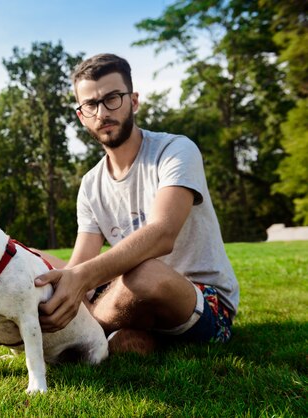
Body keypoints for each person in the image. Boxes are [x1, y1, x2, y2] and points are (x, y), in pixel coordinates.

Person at [34, 53, 239, 354]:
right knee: (32, 261)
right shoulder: (91, 184)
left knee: (144, 275)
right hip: (124, 294)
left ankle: (80, 334)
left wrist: (80, 283)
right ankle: (128, 336)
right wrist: (68, 282)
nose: (102, 112)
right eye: (91, 104)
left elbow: (162, 233)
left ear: (134, 101)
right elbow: (80, 265)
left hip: (201, 300)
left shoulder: (175, 150)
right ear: (81, 116)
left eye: (112, 98)